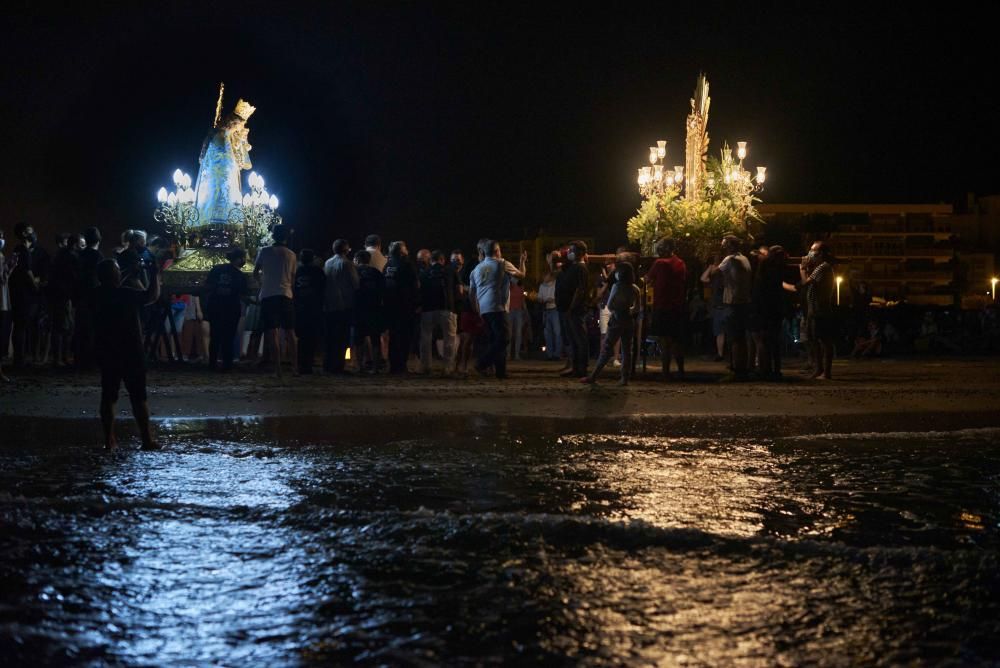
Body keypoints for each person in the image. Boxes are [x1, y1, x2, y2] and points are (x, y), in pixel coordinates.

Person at [94, 257, 160, 450]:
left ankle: (109, 440)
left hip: (107, 349)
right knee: (139, 396)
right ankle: (146, 439)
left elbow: (112, 288)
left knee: (108, 395)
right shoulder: (127, 294)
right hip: (131, 350)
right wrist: (155, 274)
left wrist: (128, 274)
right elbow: (151, 296)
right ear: (115, 274)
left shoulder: (96, 294)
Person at [469, 240, 526, 379]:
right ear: (497, 251)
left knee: (495, 340)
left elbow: (471, 293)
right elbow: (522, 276)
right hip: (498, 307)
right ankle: (481, 363)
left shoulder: (476, 269)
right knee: (504, 339)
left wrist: (477, 310)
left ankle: (501, 372)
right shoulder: (502, 263)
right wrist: (523, 261)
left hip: (484, 309)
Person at [583, 261, 640, 386]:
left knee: (607, 347)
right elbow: (637, 308)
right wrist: (628, 310)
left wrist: (617, 311)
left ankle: (594, 376)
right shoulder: (635, 288)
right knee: (627, 350)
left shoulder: (617, 287)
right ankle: (624, 378)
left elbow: (610, 304)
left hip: (617, 319)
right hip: (629, 320)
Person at [253, 224, 298, 377]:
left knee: (272, 333)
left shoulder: (264, 251)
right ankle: (295, 367)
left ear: (273, 235)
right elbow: (292, 278)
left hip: (268, 295)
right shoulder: (291, 254)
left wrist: (262, 283)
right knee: (290, 332)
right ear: (286, 237)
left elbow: (255, 272)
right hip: (286, 294)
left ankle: (277, 368)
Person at [707, 236, 752, 381]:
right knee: (741, 337)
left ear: (730, 246)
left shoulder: (729, 260)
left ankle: (737, 371)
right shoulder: (744, 259)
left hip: (733, 301)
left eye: (724, 245)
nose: (722, 248)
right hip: (743, 300)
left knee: (734, 338)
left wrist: (714, 262)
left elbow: (714, 273)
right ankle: (742, 367)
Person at [645, 238, 688, 379]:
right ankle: (681, 370)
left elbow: (647, 280)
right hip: (678, 306)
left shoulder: (660, 263)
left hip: (663, 306)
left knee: (664, 341)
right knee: (677, 340)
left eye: (660, 247)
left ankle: (665, 372)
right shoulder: (681, 263)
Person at [204, 247, 248, 371]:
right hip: (231, 308)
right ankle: (227, 364)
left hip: (215, 306)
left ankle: (212, 363)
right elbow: (243, 295)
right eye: (243, 258)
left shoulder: (217, 269)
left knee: (215, 336)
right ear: (239, 259)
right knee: (228, 337)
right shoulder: (240, 275)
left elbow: (208, 286)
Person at [751, 245, 792, 379]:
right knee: (774, 341)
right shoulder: (779, 270)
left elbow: (759, 290)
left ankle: (764, 369)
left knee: (762, 339)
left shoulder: (763, 269)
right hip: (775, 308)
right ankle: (776, 369)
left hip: (763, 308)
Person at [799, 240, 836, 380]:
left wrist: (802, 269)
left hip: (820, 310)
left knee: (824, 341)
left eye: (812, 250)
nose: (810, 253)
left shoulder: (823, 267)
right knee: (814, 341)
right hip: (814, 310)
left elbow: (805, 283)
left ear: (820, 253)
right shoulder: (819, 267)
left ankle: (825, 372)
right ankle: (819, 370)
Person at [419, 249, 460, 374]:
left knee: (425, 338)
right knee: (449, 339)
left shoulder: (424, 272)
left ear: (431, 260)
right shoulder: (450, 271)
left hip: (428, 309)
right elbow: (459, 290)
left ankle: (426, 366)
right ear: (443, 260)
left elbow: (420, 290)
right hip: (447, 308)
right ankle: (447, 367)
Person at [323, 238, 359, 374]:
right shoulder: (347, 264)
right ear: (346, 250)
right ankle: (339, 365)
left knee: (330, 336)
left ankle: (328, 364)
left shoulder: (327, 263)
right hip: (344, 305)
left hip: (329, 305)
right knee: (342, 337)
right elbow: (356, 284)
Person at [383, 241, 419, 374]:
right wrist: (416, 303)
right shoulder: (407, 265)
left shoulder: (387, 265)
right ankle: (401, 365)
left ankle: (393, 365)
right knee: (404, 337)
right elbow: (414, 286)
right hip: (404, 307)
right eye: (405, 249)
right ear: (401, 252)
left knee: (393, 336)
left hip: (390, 307)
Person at [555, 240, 590, 378]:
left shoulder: (580, 268)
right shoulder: (572, 267)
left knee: (580, 339)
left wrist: (571, 307)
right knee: (573, 339)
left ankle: (582, 368)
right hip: (567, 309)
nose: (569, 252)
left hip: (575, 310)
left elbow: (580, 290)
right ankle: (575, 368)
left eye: (571, 250)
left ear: (580, 253)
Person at [47, 233, 79, 367]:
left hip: (58, 294)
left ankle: (60, 357)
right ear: (75, 244)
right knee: (63, 328)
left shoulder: (59, 255)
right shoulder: (72, 257)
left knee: (61, 327)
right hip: (65, 295)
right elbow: (74, 276)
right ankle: (60, 358)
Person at [73, 227, 103, 370]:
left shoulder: (80, 255)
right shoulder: (97, 256)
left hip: (80, 294)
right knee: (93, 328)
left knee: (81, 328)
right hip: (94, 295)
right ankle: (91, 360)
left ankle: (80, 358)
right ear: (98, 239)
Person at [292, 249, 325, 374]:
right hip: (314, 308)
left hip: (299, 307)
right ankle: (308, 363)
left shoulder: (297, 271)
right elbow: (323, 289)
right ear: (312, 259)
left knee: (300, 337)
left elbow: (293, 287)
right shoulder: (318, 271)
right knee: (311, 337)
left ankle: (300, 363)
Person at [353, 250, 385, 374]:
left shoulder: (355, 271)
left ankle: (359, 366)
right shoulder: (376, 273)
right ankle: (376, 367)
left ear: (357, 259)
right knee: (375, 338)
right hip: (375, 309)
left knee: (358, 339)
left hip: (359, 309)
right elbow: (383, 291)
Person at [536, 270, 562, 361]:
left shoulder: (556, 284)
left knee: (557, 332)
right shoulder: (542, 286)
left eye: (545, 275)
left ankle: (557, 354)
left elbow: (559, 296)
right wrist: (541, 300)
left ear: (550, 276)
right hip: (546, 310)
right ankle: (550, 354)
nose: (544, 278)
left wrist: (553, 300)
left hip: (555, 310)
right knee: (547, 333)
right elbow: (539, 298)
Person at [0, 230, 15, 381]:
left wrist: (10, 267)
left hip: (3, 302)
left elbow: (4, 278)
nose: (2, 240)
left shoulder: (2, 256)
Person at [507, 278, 527, 360]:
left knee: (518, 333)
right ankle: (508, 354)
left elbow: (522, 299)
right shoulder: (509, 286)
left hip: (519, 311)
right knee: (509, 333)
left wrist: (525, 311)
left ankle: (516, 354)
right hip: (510, 310)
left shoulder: (521, 286)